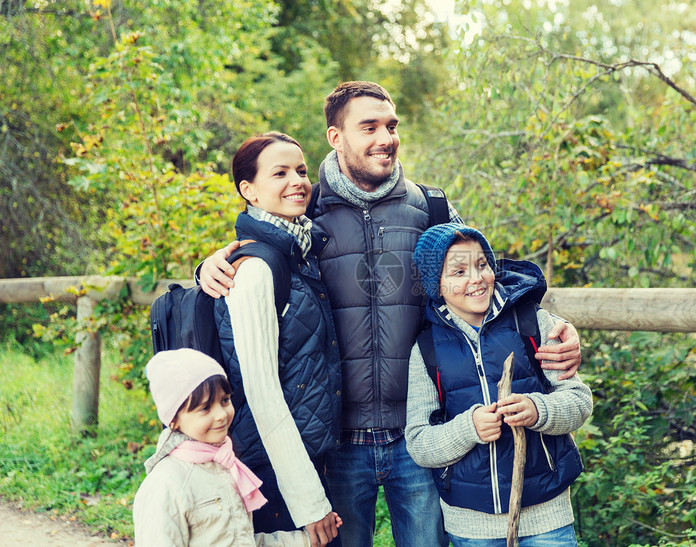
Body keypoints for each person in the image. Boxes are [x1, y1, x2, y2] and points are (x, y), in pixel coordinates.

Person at [198, 81, 583, 547]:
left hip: (420, 434)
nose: (386, 137)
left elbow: (485, 283)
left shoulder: (433, 208)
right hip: (335, 441)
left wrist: (556, 327)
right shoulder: (302, 210)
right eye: (370, 127)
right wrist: (209, 265)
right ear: (336, 138)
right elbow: (258, 250)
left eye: (392, 125)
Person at [406, 224, 593, 546]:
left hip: (547, 517)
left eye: (482, 265)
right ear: (436, 283)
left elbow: (579, 401)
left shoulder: (533, 323)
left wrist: (539, 410)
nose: (476, 279)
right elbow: (419, 442)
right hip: (472, 527)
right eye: (459, 271)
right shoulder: (427, 350)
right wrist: (469, 428)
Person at [215, 132, 342, 546]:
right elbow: (263, 394)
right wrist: (309, 502)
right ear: (248, 190)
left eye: (302, 171)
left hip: (309, 459)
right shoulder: (255, 270)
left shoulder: (300, 251)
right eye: (280, 173)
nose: (298, 181)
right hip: (273, 474)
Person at [133, 348, 324, 546]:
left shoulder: (226, 466)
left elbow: (243, 541)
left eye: (225, 400)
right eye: (205, 408)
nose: (221, 415)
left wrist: (304, 541)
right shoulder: (166, 485)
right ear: (173, 420)